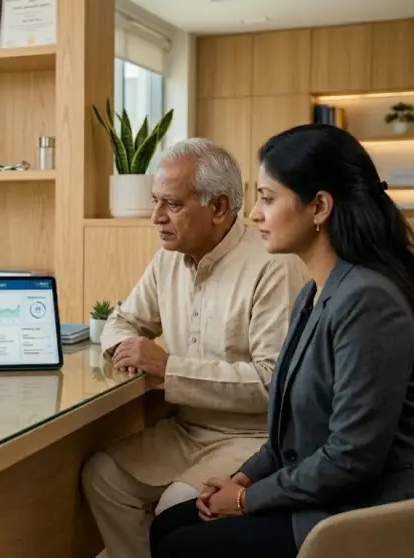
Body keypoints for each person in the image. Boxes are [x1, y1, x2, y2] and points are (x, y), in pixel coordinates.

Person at [150, 123, 414, 558]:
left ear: (319, 207)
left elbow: (351, 460)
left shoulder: (367, 301)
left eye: (268, 198)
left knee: (182, 545)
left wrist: (246, 501)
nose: (253, 214)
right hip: (329, 492)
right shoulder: (314, 292)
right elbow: (287, 437)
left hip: (366, 511)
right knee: (169, 526)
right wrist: (243, 480)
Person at [81, 138, 308, 558]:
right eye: (154, 202)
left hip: (251, 437)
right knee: (102, 476)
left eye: (172, 204)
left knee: (175, 507)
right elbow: (121, 320)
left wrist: (169, 369)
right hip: (185, 431)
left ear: (219, 207)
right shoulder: (167, 258)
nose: (156, 218)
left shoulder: (272, 265)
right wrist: (126, 347)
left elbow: (272, 382)